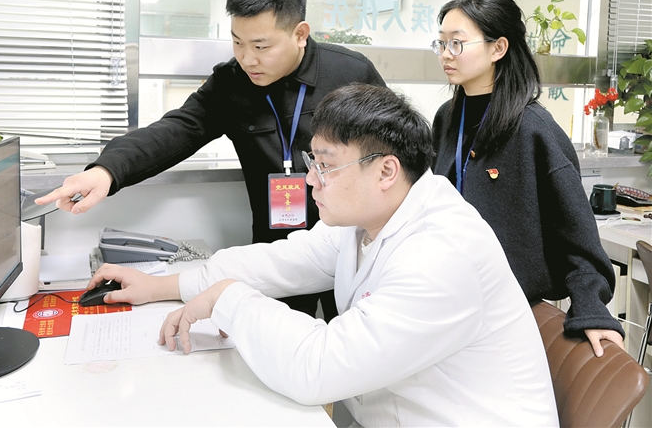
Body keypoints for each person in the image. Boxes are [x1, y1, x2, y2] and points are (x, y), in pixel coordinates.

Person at [88, 84, 559, 427]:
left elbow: (318, 367)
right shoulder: (373, 217)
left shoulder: (442, 253)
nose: (311, 180)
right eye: (312, 162)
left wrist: (227, 298)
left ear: (386, 171)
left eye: (326, 166)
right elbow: (281, 261)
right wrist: (161, 285)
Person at [35, 0, 385, 322]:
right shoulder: (232, 82)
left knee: (355, 338)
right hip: (275, 246)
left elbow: (396, 161)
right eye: (237, 42)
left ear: (300, 34)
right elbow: (177, 129)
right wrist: (106, 171)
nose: (247, 58)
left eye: (261, 46)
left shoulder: (350, 74)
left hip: (350, 240)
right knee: (270, 341)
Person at [430, 0, 624, 357]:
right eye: (441, 43)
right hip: (449, 297)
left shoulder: (534, 129)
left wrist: (591, 308)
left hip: (505, 314)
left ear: (498, 48)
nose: (445, 54)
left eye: (457, 43)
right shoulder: (446, 118)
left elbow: (578, 239)